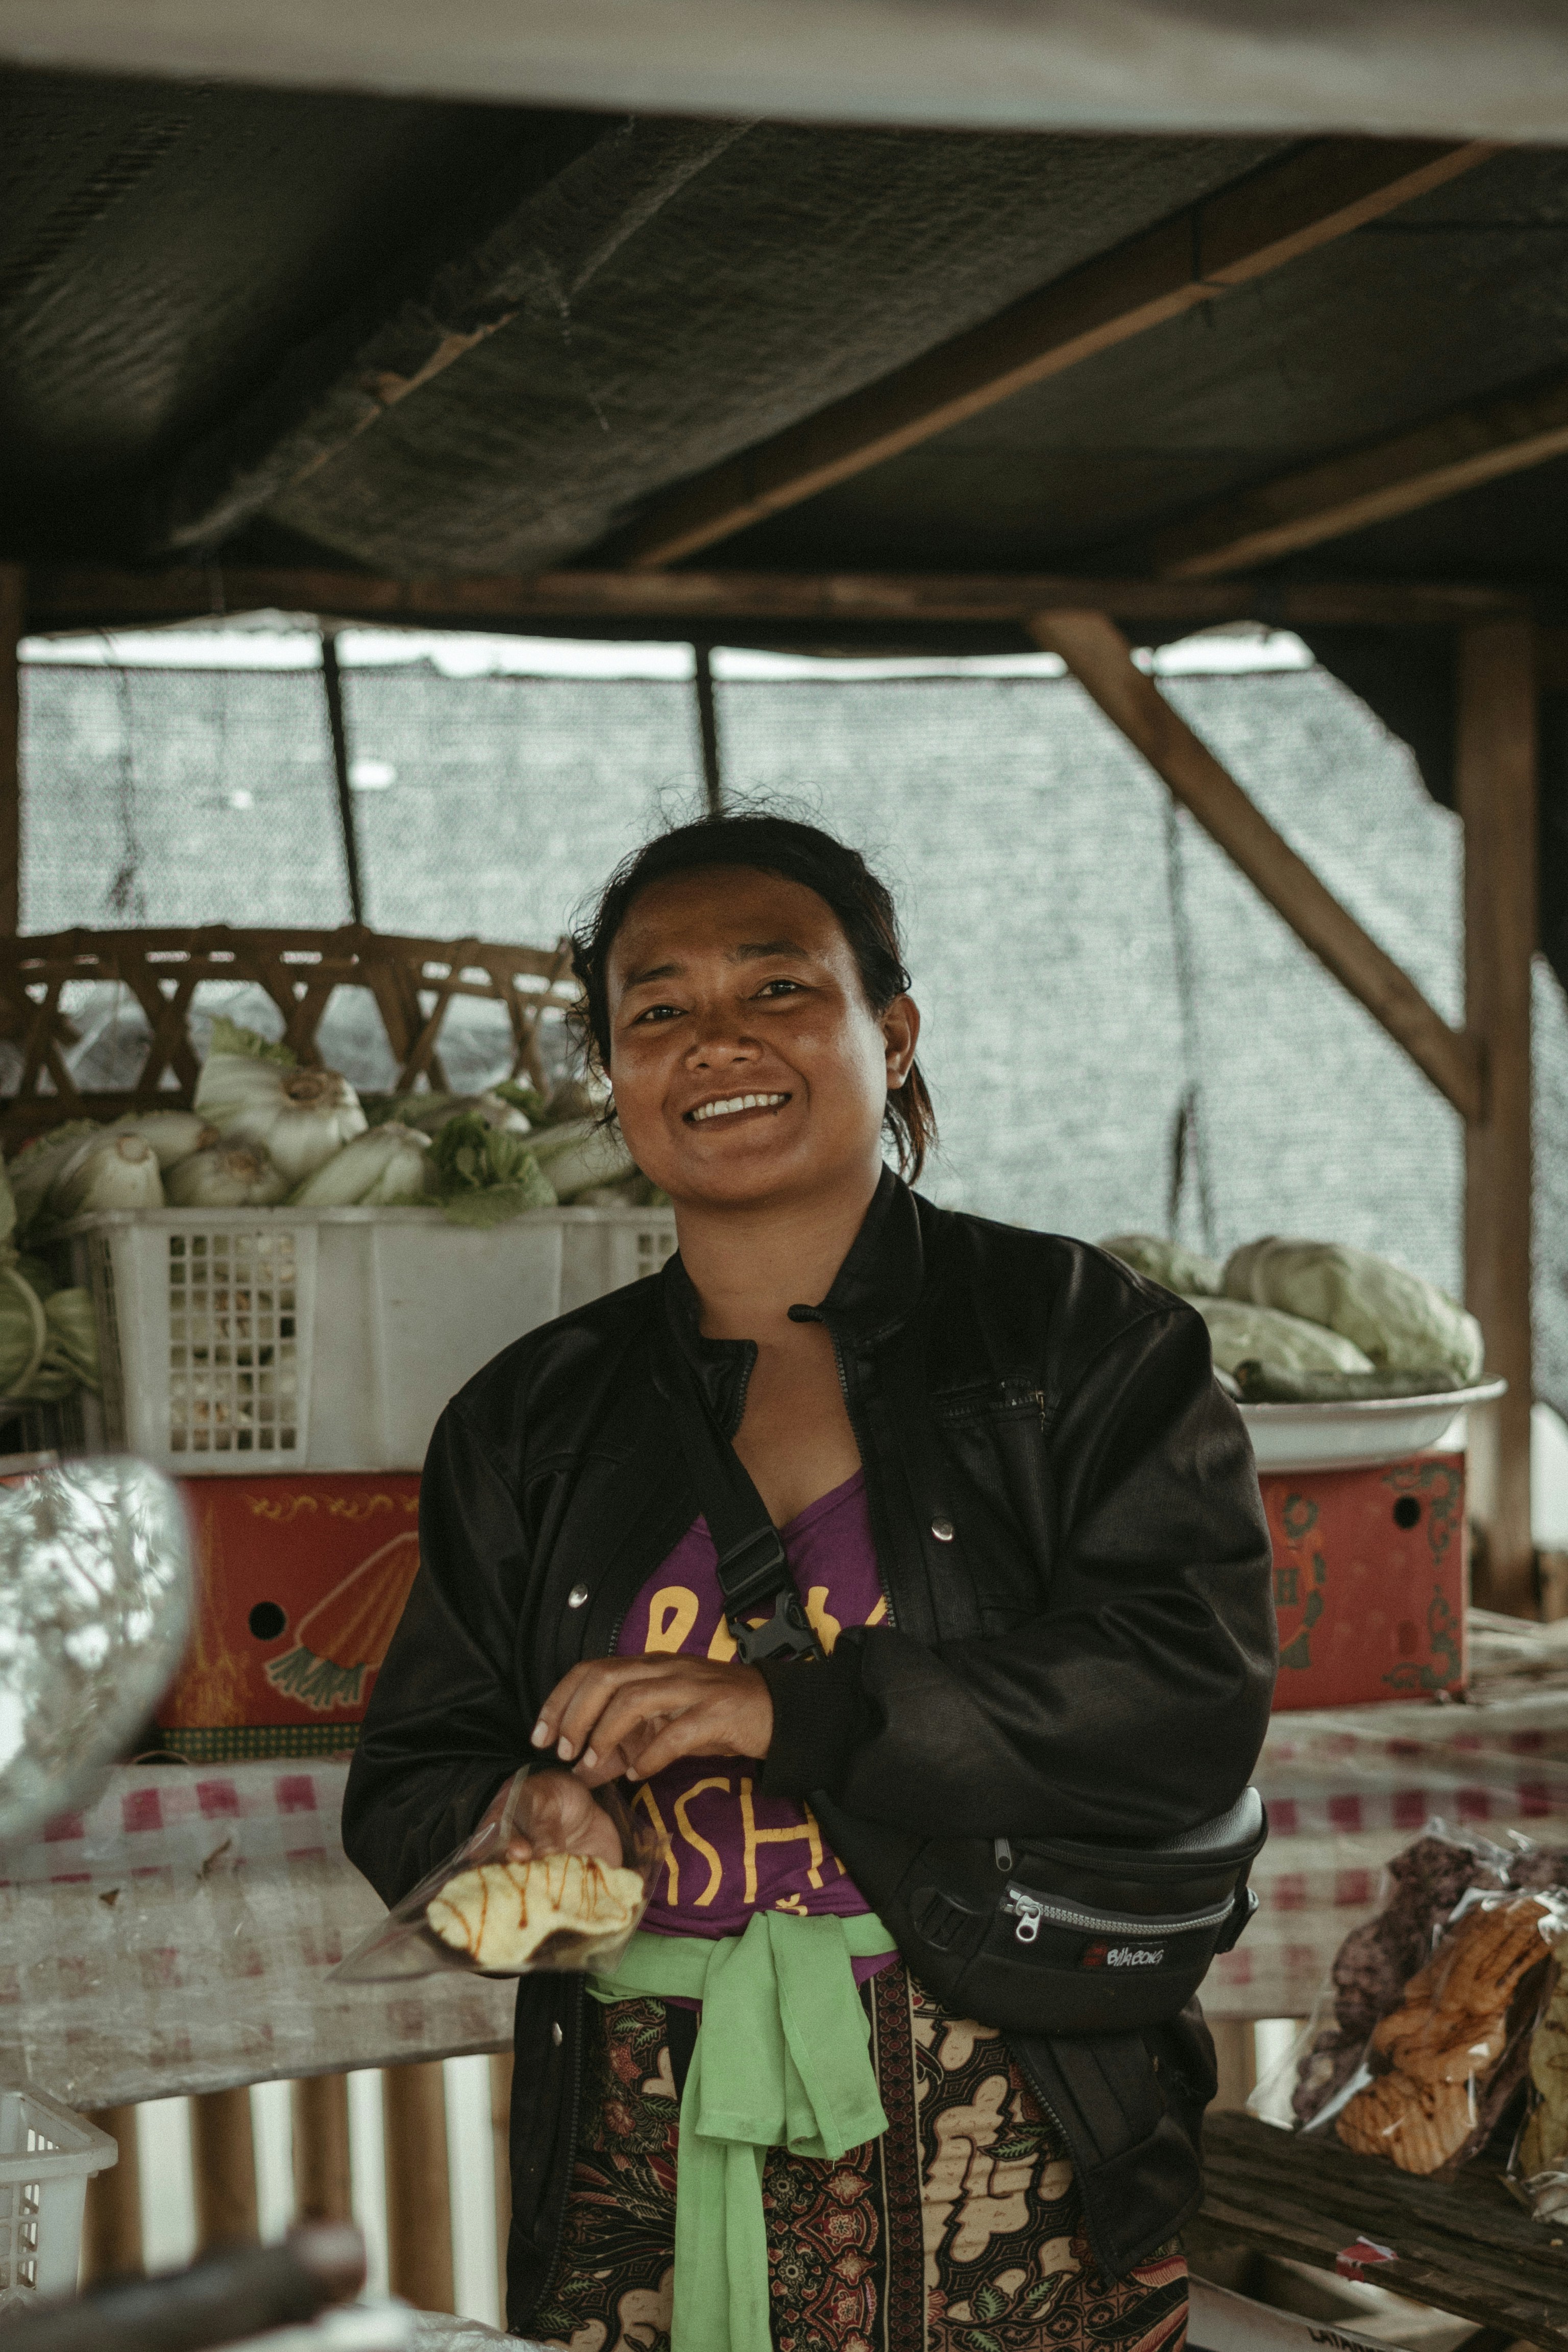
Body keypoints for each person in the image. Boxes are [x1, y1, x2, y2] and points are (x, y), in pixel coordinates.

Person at [343, 812, 1275, 2352]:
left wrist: (795, 1712)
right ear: (614, 1073)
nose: (714, 1041)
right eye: (656, 1009)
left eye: (776, 990)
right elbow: (410, 1782)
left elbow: (1183, 1694)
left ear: (889, 1033)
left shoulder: (1077, 1343)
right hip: (636, 2151)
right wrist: (516, 1835)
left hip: (1021, 2133)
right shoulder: (530, 1420)